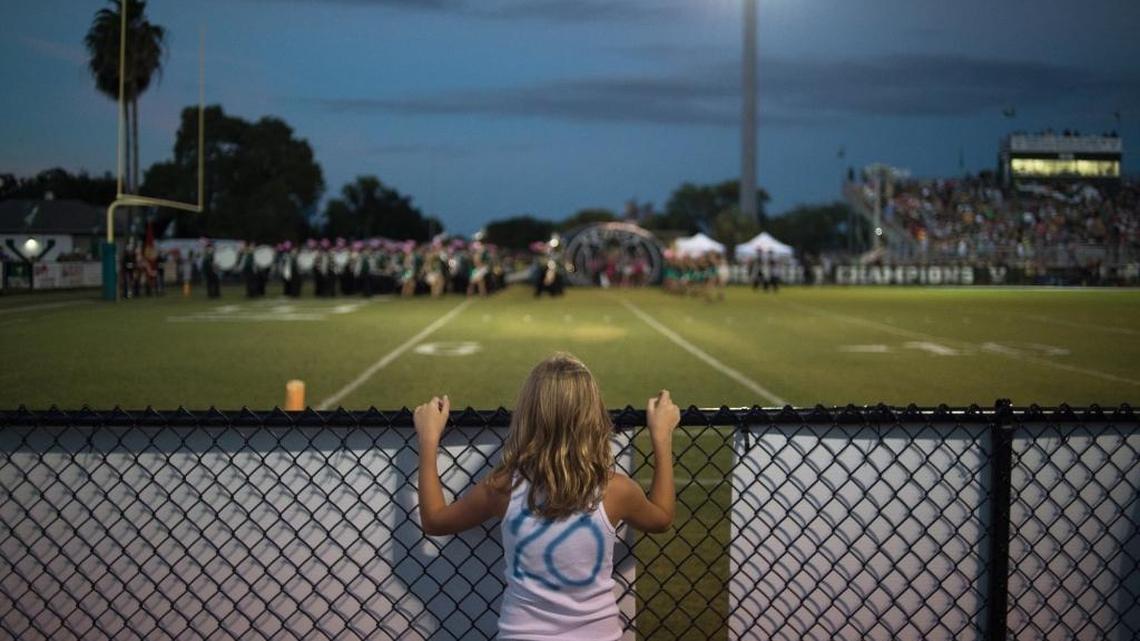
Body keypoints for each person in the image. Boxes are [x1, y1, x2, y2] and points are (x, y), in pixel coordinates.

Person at [413, 353, 680, 641]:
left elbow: (435, 520)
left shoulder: (502, 488)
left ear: (527, 414)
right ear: (592, 413)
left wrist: (428, 440)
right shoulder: (615, 489)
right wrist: (661, 437)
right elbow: (661, 518)